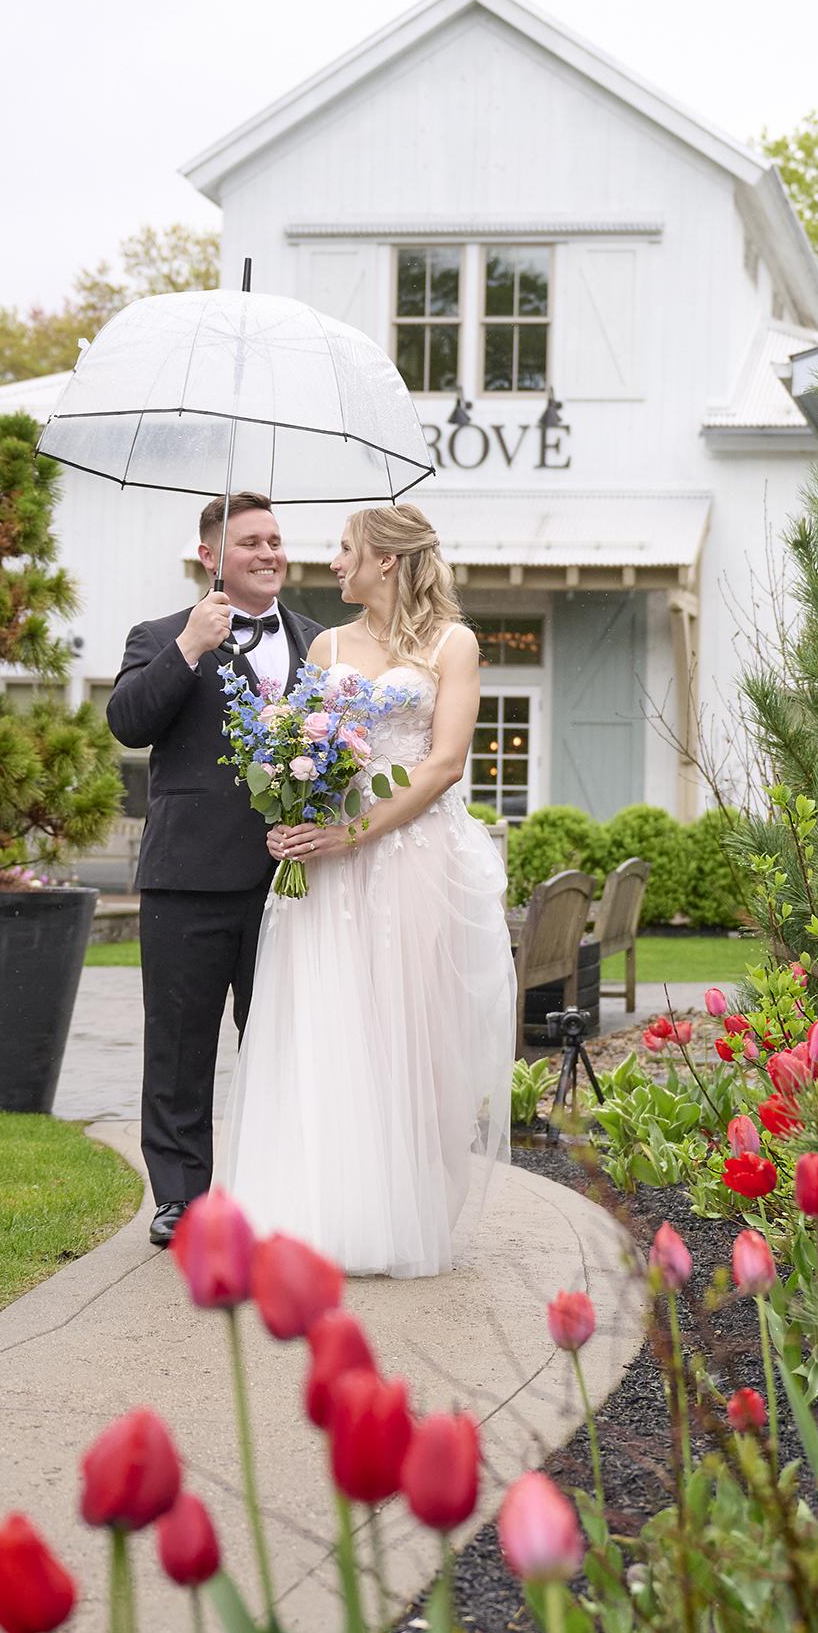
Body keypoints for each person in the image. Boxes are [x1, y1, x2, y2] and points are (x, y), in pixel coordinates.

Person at [215, 503, 515, 1277]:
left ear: (386, 559)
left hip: (412, 857)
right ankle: (312, 1215)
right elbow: (300, 746)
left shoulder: (454, 644)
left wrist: (357, 833)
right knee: (324, 1026)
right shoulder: (327, 644)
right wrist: (290, 820)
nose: (333, 562)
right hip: (326, 864)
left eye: (346, 549)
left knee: (405, 1032)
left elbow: (444, 763)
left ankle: (396, 1214)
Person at [107, 492, 323, 1246]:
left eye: (276, 541)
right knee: (179, 1045)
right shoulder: (160, 635)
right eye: (252, 542)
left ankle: (280, 1189)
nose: (270, 553)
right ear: (211, 556)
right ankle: (180, 1199)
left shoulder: (319, 642)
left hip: (289, 884)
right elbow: (129, 724)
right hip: (187, 877)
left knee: (282, 1041)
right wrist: (189, 648)